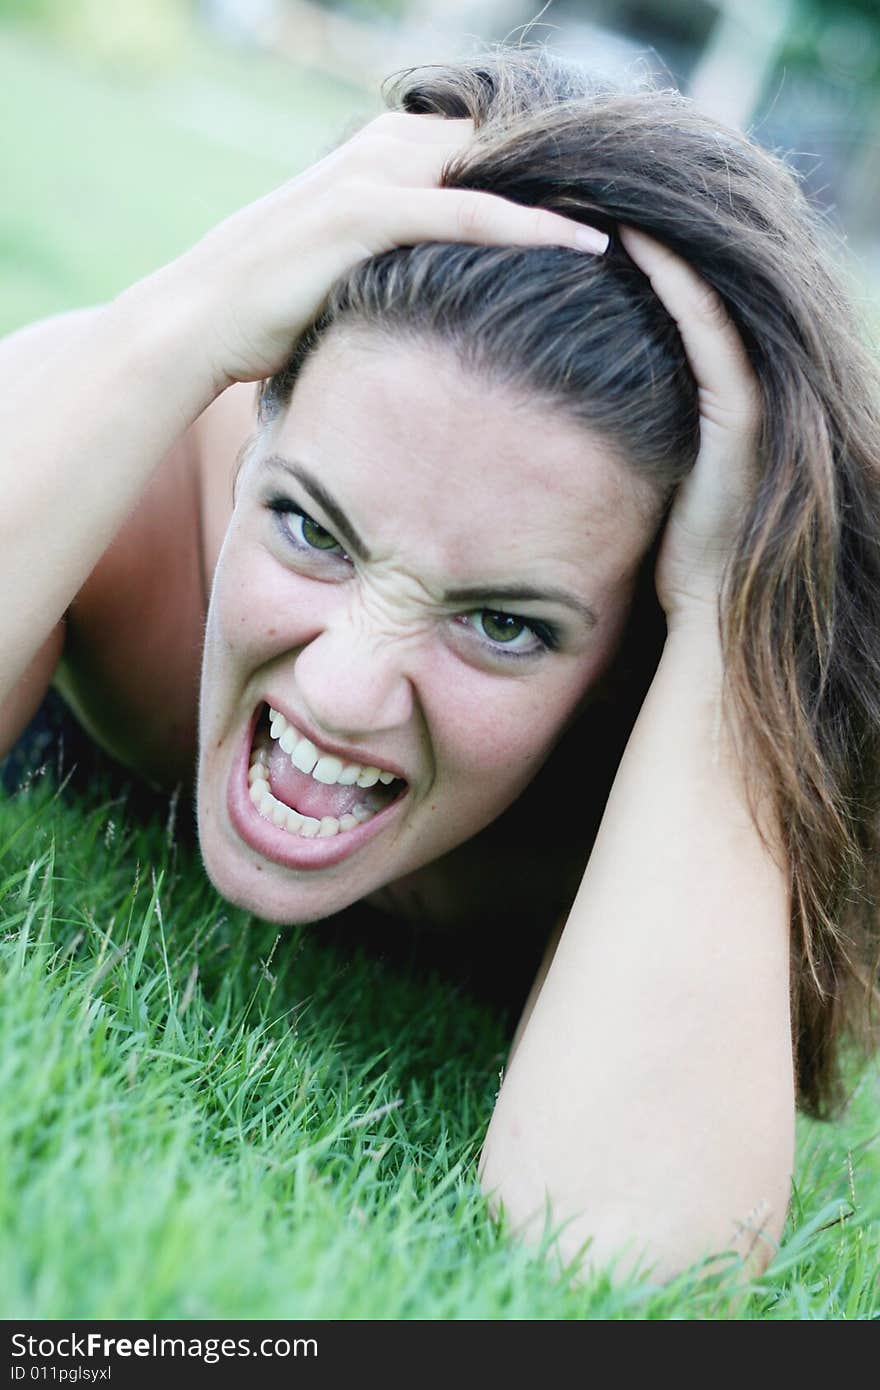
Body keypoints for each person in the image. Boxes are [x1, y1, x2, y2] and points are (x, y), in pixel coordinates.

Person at [2, 48, 878, 1284]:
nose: (343, 689)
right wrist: (173, 320)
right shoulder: (127, 486)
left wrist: (736, 619)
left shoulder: (697, 729)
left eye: (504, 623)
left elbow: (630, 1254)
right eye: (310, 528)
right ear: (258, 409)